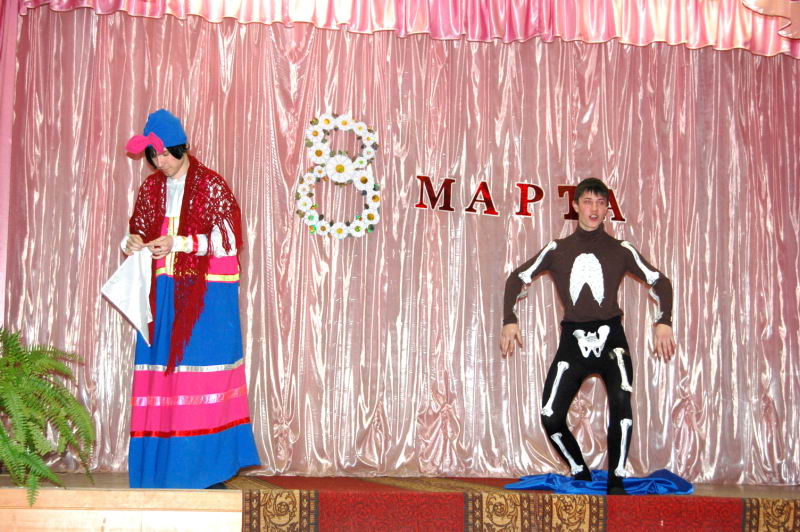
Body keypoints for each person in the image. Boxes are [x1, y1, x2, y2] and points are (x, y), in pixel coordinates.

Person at [500, 177, 676, 495]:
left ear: (607, 209)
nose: (594, 209)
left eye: (600, 203)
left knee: (621, 404)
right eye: (588, 202)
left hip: (612, 339)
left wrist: (664, 321)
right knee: (551, 415)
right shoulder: (557, 249)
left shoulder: (621, 250)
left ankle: (616, 482)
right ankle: (579, 468)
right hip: (573, 339)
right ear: (576, 206)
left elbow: (660, 281)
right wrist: (509, 320)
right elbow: (517, 278)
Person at [121, 109, 260, 488]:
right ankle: (161, 470)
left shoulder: (211, 186)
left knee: (200, 378)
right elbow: (138, 231)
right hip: (162, 298)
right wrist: (131, 242)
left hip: (204, 302)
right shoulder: (151, 190)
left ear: (182, 148)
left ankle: (207, 471)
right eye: (153, 156)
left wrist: (180, 243)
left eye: (165, 154)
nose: (159, 163)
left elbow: (229, 240)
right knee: (164, 381)